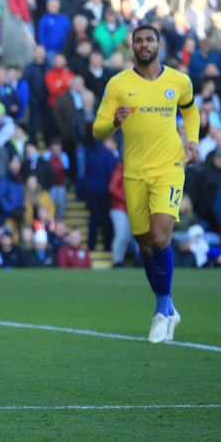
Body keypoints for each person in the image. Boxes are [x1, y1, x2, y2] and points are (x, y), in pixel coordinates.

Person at [93, 24, 200, 343]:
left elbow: (191, 111)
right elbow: (98, 130)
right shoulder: (119, 84)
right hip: (134, 172)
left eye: (149, 39)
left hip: (169, 167)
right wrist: (114, 121)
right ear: (132, 47)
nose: (144, 44)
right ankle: (168, 309)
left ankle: (162, 310)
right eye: (138, 40)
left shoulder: (178, 80)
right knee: (144, 245)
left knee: (160, 236)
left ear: (158, 44)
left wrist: (191, 142)